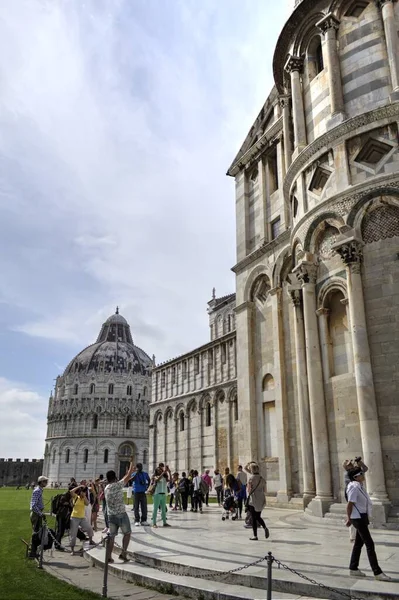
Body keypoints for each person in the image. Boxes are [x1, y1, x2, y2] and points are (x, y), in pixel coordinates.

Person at [346, 467, 391, 581]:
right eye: (361, 474)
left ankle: (353, 568)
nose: (363, 475)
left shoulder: (359, 486)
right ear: (356, 477)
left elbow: (365, 468)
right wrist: (349, 518)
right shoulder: (354, 487)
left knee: (358, 544)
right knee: (369, 544)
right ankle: (377, 572)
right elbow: (350, 504)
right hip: (357, 518)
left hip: (362, 516)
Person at [105, 460, 135, 562]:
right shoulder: (117, 485)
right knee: (127, 533)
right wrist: (131, 463)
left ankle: (108, 556)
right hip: (121, 514)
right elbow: (127, 476)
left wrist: (128, 473)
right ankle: (123, 553)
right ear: (115, 477)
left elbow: (126, 477)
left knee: (111, 536)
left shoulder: (106, 488)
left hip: (111, 515)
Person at [343, 457, 368, 542]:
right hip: (351, 493)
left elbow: (365, 469)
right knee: (354, 512)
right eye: (349, 464)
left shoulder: (356, 472)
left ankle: (357, 536)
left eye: (351, 463)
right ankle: (353, 536)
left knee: (357, 513)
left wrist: (359, 462)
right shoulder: (348, 474)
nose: (351, 464)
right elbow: (353, 475)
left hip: (358, 493)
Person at [69, 484, 94, 555]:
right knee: (73, 534)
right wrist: (79, 486)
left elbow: (87, 503)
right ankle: (72, 550)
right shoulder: (75, 497)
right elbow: (71, 491)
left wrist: (85, 496)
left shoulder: (84, 499)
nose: (84, 493)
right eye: (83, 492)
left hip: (82, 518)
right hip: (74, 517)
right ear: (80, 492)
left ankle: (91, 540)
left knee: (89, 528)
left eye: (85, 492)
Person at [246, 463, 269, 541]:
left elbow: (248, 491)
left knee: (253, 517)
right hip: (261, 498)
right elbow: (265, 490)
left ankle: (255, 535)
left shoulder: (251, 479)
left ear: (251, 470)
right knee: (258, 516)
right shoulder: (262, 479)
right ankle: (265, 527)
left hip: (253, 499)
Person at [28, 475, 48, 558]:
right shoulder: (37, 491)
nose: (46, 483)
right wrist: (41, 514)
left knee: (36, 532)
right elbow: (33, 505)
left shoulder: (40, 490)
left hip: (38, 514)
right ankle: (32, 552)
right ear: (41, 482)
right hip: (36, 514)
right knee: (35, 534)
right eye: (45, 481)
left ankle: (32, 550)